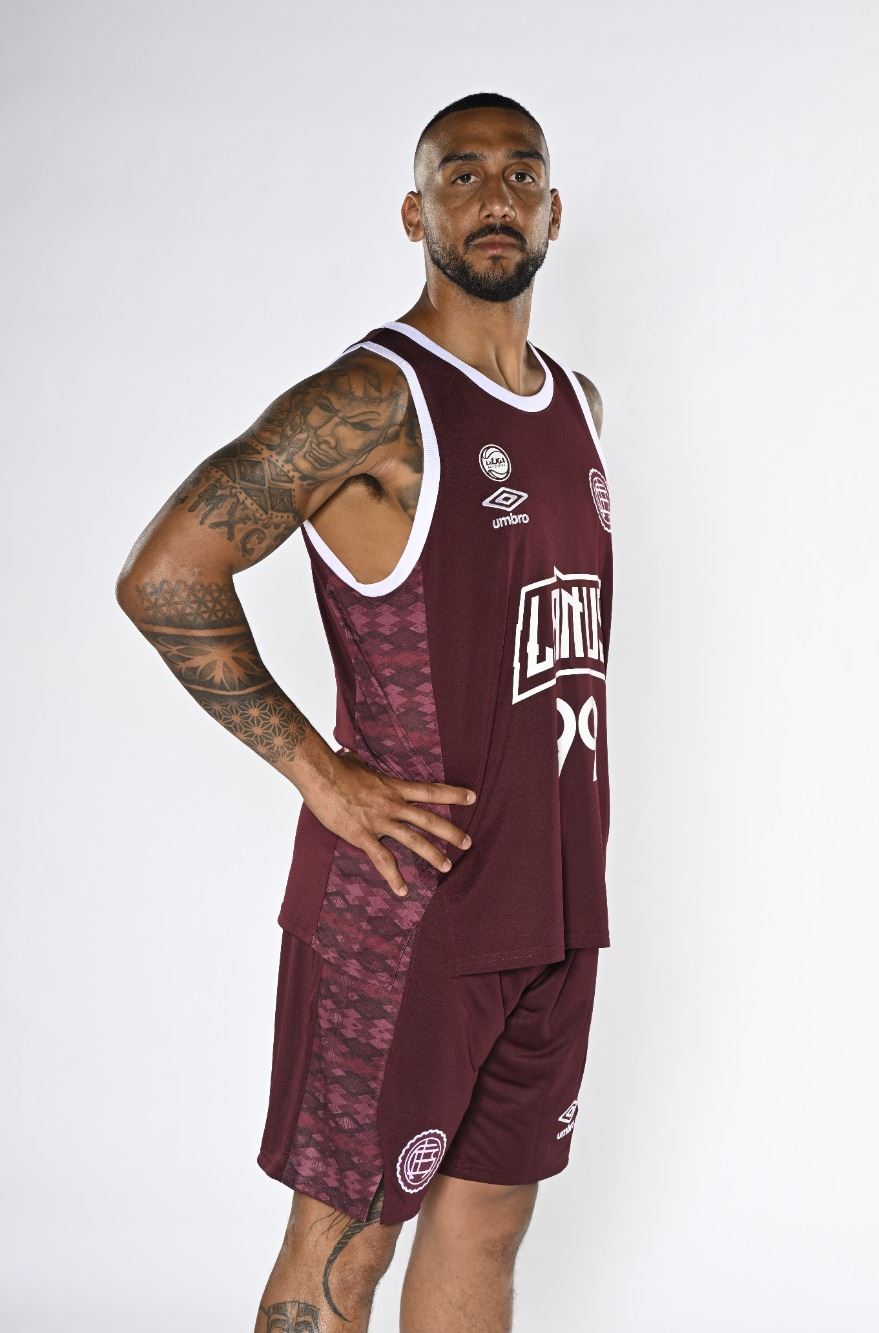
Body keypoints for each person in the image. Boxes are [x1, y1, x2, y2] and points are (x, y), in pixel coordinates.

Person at [116, 89, 614, 1333]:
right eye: (460, 173)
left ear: (555, 209)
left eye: (520, 173)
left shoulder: (579, 405)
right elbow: (165, 573)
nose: (493, 196)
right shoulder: (374, 401)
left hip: (551, 901)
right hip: (408, 909)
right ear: (414, 211)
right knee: (342, 1253)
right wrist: (321, 773)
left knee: (488, 1227)